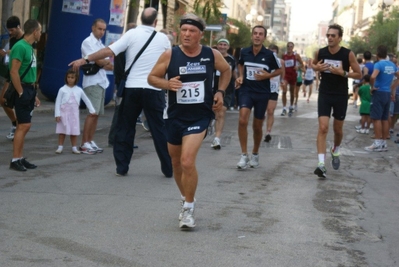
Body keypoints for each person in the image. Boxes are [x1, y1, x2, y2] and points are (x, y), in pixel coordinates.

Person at [147, 13, 231, 229]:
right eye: (184, 30)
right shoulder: (170, 55)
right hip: (175, 116)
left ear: (200, 35)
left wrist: (220, 92)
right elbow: (152, 78)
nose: (186, 34)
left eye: (191, 31)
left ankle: (189, 208)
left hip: (200, 116)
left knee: (186, 161)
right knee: (175, 162)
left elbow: (226, 70)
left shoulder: (211, 55)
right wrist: (167, 85)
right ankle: (186, 198)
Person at [69, 8, 173, 178]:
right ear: (155, 23)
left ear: (140, 19)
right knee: (159, 129)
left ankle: (122, 167)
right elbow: (169, 62)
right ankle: (168, 168)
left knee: (125, 127)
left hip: (132, 89)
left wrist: (86, 59)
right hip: (154, 89)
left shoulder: (131, 34)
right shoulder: (163, 39)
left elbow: (109, 51)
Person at [311, 23, 361, 179]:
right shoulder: (321, 52)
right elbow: (313, 64)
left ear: (340, 38)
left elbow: (358, 74)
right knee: (323, 128)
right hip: (325, 93)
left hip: (340, 95)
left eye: (333, 35)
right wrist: (316, 68)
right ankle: (321, 164)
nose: (330, 38)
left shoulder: (347, 54)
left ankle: (336, 149)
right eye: (328, 35)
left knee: (338, 130)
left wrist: (343, 72)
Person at [235, 26, 282, 169]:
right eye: (255, 33)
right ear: (252, 36)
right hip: (246, 90)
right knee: (243, 119)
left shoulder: (269, 54)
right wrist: (241, 76)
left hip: (262, 93)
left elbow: (280, 70)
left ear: (264, 37)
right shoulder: (244, 51)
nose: (257, 36)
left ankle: (255, 152)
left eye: (260, 34)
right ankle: (244, 155)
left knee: (257, 126)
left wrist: (268, 75)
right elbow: (240, 64)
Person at [9, 19, 42, 171]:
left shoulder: (29, 47)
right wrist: (21, 92)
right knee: (23, 125)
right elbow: (13, 72)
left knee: (25, 125)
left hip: (29, 89)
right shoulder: (20, 46)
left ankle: (20, 158)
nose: (41, 33)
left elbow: (29, 72)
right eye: (40, 31)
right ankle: (15, 160)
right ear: (34, 31)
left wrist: (33, 94)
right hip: (22, 89)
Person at [79, 18, 114, 154]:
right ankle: (84, 143)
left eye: (104, 30)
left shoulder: (100, 44)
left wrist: (105, 62)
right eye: (99, 29)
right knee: (92, 113)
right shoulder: (88, 42)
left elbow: (108, 64)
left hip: (101, 81)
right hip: (92, 82)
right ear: (93, 28)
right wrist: (104, 62)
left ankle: (90, 140)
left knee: (97, 114)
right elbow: (98, 61)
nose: (102, 32)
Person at [365, 45, 399, 152]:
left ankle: (377, 142)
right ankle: (383, 143)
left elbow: (373, 76)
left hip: (378, 92)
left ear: (377, 54)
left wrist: (372, 87)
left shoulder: (379, 64)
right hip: (387, 93)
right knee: (385, 118)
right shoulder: (392, 64)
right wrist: (392, 88)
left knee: (376, 118)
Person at [108, 22, 137, 148]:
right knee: (120, 112)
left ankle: (122, 139)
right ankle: (114, 138)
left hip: (125, 83)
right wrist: (120, 84)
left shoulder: (125, 46)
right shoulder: (123, 47)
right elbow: (120, 69)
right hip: (124, 84)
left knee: (127, 113)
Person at [55, 68, 96, 154]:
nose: (70, 79)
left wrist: (92, 110)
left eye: (72, 77)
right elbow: (58, 102)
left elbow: (86, 100)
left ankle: (74, 147)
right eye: (68, 77)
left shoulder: (79, 90)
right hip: (64, 113)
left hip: (74, 114)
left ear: (76, 79)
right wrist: (57, 114)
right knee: (62, 131)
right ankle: (60, 147)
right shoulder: (62, 89)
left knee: (74, 131)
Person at [0, 16, 24, 141]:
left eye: (12, 30)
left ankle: (21, 127)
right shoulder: (12, 39)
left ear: (18, 27)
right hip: (11, 73)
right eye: (9, 30)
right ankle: (15, 124)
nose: (10, 32)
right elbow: (5, 50)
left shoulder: (26, 39)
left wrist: (10, 52)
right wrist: (4, 52)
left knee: (20, 102)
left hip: (22, 74)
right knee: (3, 100)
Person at [211, 38, 236, 150]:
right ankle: (212, 122)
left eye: (224, 45)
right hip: (211, 88)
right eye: (220, 44)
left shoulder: (231, 60)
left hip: (226, 89)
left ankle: (217, 138)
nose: (222, 46)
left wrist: (238, 80)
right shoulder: (211, 58)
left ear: (228, 47)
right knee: (213, 111)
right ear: (217, 46)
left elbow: (234, 73)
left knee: (221, 112)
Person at [264, 44, 285, 142]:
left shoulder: (281, 62)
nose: (273, 52)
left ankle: (268, 132)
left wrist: (282, 80)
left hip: (274, 89)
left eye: (274, 51)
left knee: (270, 111)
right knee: (261, 112)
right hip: (263, 88)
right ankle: (259, 130)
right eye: (271, 51)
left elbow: (282, 72)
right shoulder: (264, 60)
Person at [281, 41, 304, 116]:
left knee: (292, 92)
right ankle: (284, 108)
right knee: (284, 90)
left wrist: (298, 67)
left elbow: (302, 64)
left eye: (291, 46)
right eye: (288, 46)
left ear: (293, 48)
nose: (289, 48)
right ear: (286, 47)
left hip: (293, 75)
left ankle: (291, 106)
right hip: (286, 75)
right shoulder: (283, 55)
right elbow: (281, 63)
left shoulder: (296, 55)